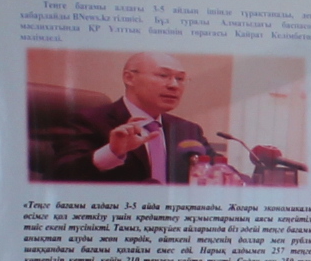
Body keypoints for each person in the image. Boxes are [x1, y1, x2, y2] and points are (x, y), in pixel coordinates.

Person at [44, 52, 236, 185]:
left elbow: (219, 170)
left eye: (180, 78)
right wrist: (112, 152)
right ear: (129, 78)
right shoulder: (88, 120)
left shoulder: (188, 130)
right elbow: (61, 175)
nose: (174, 85)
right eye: (163, 75)